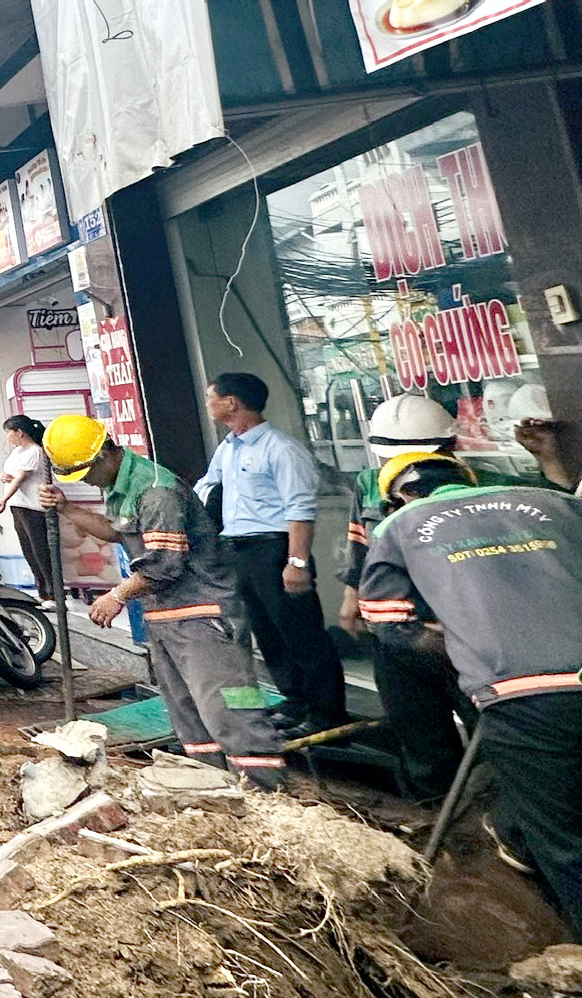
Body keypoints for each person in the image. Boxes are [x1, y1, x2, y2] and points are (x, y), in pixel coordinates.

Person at [359, 452, 582, 925]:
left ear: (397, 498)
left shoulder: (398, 527)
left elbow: (385, 619)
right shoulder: (555, 504)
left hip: (524, 695)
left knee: (565, 842)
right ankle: (513, 833)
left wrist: (461, 647)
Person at [42, 415, 285, 788]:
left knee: (229, 707)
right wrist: (66, 508)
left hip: (202, 614)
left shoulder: (157, 492)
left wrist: (117, 595)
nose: (87, 481)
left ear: (107, 452)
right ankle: (211, 787)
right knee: (187, 712)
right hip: (166, 614)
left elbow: (164, 566)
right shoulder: (122, 485)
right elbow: (116, 532)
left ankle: (266, 791)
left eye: (87, 472)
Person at [337, 394, 484, 799]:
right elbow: (360, 546)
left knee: (485, 726)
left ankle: (492, 810)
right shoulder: (369, 483)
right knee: (415, 724)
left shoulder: (469, 481)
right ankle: (439, 808)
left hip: (456, 624)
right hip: (396, 627)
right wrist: (353, 599)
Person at [194, 372, 348, 737]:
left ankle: (327, 711)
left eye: (210, 396)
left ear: (231, 402)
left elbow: (300, 511)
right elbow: (207, 485)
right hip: (240, 550)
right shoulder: (228, 448)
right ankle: (295, 701)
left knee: (301, 632)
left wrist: (297, 563)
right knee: (269, 632)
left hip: (275, 549)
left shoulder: (281, 449)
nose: (207, 403)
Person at [0, 415, 60, 594]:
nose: (7, 437)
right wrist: (3, 477)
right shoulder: (17, 452)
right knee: (28, 551)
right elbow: (10, 474)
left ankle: (53, 592)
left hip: (33, 508)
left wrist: (4, 499)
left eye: (9, 433)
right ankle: (42, 591)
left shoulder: (34, 451)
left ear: (20, 432)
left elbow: (21, 478)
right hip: (19, 506)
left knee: (40, 551)